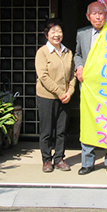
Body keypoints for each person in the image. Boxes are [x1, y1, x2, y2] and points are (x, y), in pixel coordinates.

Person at [75, 1, 107, 175]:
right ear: (88, 16)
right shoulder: (82, 33)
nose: (98, 17)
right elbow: (77, 54)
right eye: (94, 14)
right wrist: (79, 66)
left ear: (106, 15)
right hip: (88, 87)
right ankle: (87, 162)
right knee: (88, 122)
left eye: (101, 13)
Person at [35, 18, 76, 173]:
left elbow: (72, 74)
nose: (57, 35)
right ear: (47, 34)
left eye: (59, 31)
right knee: (47, 130)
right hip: (47, 96)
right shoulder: (42, 52)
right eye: (53, 32)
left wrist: (70, 92)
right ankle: (47, 160)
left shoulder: (68, 52)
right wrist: (60, 92)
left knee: (61, 130)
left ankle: (59, 158)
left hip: (65, 97)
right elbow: (43, 76)